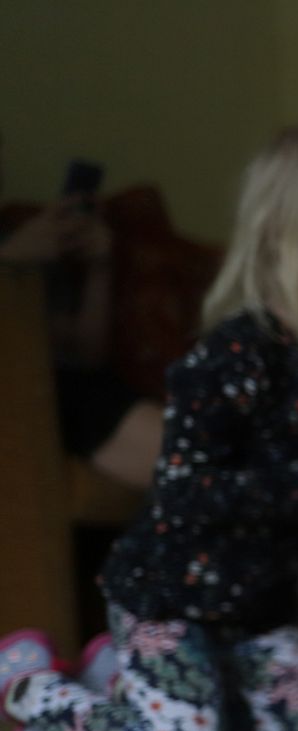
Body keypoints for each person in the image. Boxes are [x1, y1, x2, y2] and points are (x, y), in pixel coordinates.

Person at [0, 121, 298, 731]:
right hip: (168, 598)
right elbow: (184, 490)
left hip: (259, 606)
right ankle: (34, 688)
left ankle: (127, 682)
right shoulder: (237, 354)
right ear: (292, 231)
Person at [0, 139, 163, 491]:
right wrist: (9, 261)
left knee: (82, 386)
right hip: (28, 392)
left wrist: (100, 267)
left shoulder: (28, 236)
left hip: (62, 387)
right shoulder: (20, 244)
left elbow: (83, 354)